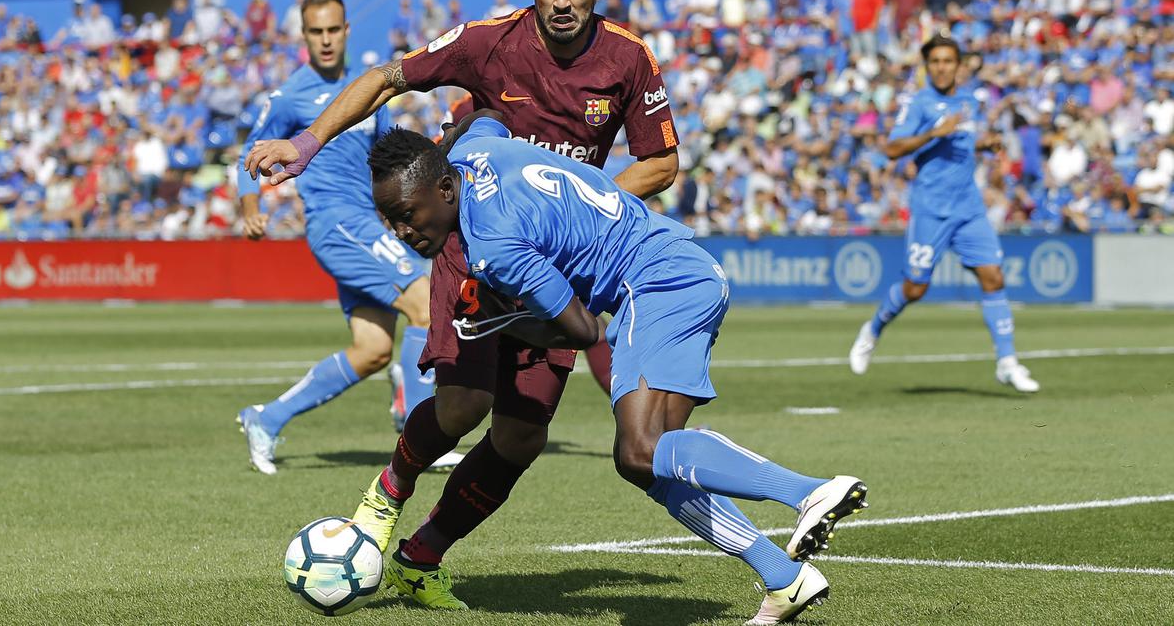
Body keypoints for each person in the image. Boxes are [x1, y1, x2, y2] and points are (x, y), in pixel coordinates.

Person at [244, 0, 680, 609]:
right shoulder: (488, 40)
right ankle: (383, 501)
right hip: (473, 247)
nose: (560, 0)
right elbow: (386, 77)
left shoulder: (628, 59)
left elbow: (660, 161)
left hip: (556, 265)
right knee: (462, 405)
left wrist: (580, 203)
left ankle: (421, 557)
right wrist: (306, 141)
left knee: (520, 434)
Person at [368, 114, 868, 624]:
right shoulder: (477, 151)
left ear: (446, 187)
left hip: (654, 283)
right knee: (642, 464)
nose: (404, 230)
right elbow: (487, 119)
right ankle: (783, 578)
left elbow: (585, 332)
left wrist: (501, 322)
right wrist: (449, 139)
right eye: (391, 219)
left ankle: (807, 491)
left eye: (409, 213)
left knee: (641, 448)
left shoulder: (495, 246)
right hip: (685, 268)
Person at [233, 0, 461, 475]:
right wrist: (251, 207)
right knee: (426, 303)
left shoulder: (364, 93)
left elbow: (388, 158)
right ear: (304, 35)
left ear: (346, 30)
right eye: (316, 32)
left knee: (374, 350)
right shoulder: (292, 95)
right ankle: (421, 430)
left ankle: (265, 419)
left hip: (365, 224)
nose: (326, 40)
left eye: (333, 30)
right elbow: (247, 153)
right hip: (337, 225)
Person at [848, 34, 1041, 393]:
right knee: (916, 288)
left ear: (959, 66)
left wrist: (983, 143)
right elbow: (892, 147)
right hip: (931, 209)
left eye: (948, 61)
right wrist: (936, 133)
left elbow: (963, 141)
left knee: (993, 277)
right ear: (927, 66)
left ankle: (1008, 361)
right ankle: (872, 329)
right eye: (934, 61)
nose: (941, 67)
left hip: (968, 207)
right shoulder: (920, 103)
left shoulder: (969, 102)